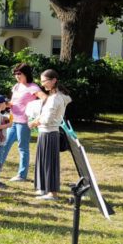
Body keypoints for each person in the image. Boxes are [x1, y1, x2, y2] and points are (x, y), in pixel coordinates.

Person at [31, 69, 72, 201]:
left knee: (49, 163)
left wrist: (34, 123)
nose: (43, 85)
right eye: (41, 81)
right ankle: (43, 188)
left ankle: (52, 193)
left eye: (45, 81)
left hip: (50, 133)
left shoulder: (56, 98)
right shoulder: (52, 97)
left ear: (54, 80)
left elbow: (48, 119)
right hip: (44, 132)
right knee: (42, 161)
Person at [3, 63, 42, 182]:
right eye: (15, 74)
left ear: (26, 73)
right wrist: (6, 104)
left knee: (23, 148)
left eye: (19, 73)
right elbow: (14, 102)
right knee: (4, 145)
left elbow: (44, 99)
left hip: (24, 122)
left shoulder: (33, 87)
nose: (16, 76)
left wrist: (37, 116)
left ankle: (22, 175)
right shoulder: (17, 86)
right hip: (12, 120)